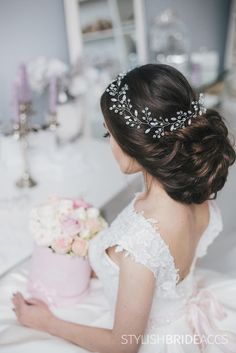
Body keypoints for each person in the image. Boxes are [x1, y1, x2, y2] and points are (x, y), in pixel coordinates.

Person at [12, 64, 236, 353]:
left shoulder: (140, 239)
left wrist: (46, 322)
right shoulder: (198, 192)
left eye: (109, 135)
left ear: (136, 141)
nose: (111, 146)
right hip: (180, 307)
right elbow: (165, 268)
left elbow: (123, 346)